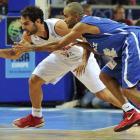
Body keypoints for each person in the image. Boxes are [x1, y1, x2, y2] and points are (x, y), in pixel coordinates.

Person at [13, 2, 140, 132]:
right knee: (104, 75)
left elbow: (58, 44)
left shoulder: (73, 26)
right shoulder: (83, 29)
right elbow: (93, 47)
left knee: (122, 91)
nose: (64, 19)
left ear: (76, 16)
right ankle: (36, 117)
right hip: (64, 57)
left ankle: (134, 113)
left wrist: (32, 48)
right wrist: (83, 46)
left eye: (66, 16)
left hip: (124, 44)